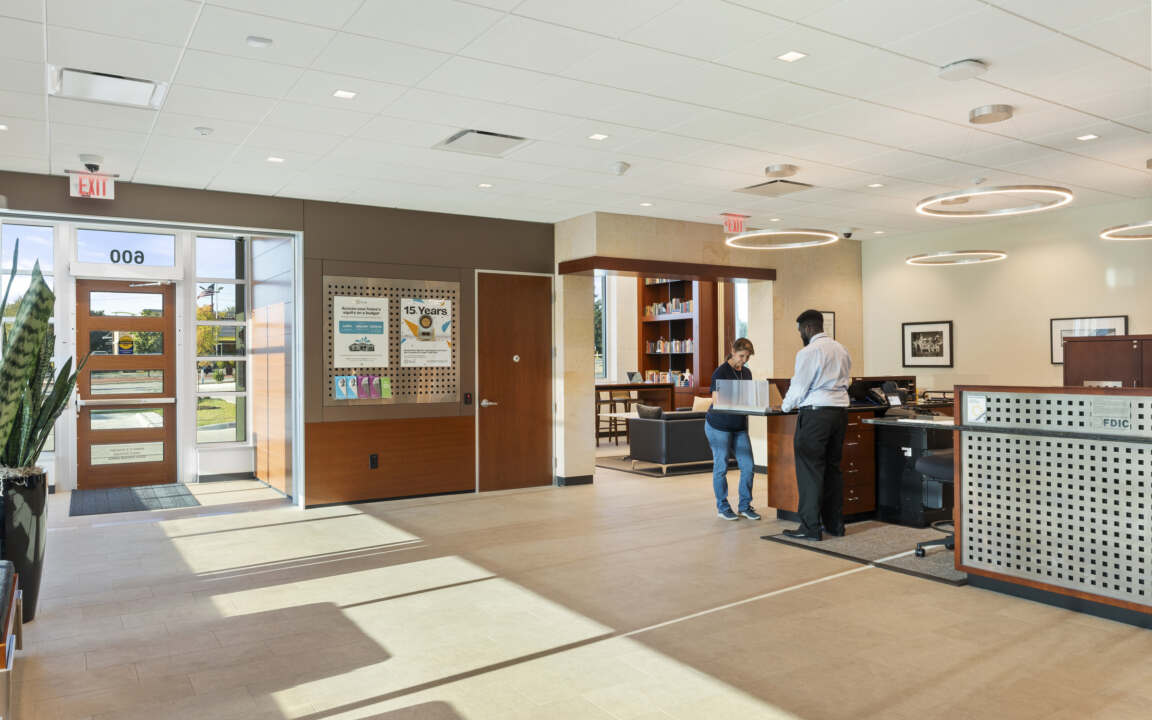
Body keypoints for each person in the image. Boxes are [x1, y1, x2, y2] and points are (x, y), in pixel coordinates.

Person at [780, 310, 852, 541]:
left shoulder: (809, 352)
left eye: (800, 330)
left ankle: (810, 528)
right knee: (832, 469)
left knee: (810, 471)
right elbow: (848, 380)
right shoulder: (841, 349)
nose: (800, 335)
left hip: (816, 416)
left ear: (808, 328)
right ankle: (835, 526)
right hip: (839, 413)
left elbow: (799, 386)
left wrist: (784, 407)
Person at [705, 338, 759, 521]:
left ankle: (745, 506)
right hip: (718, 426)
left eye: (748, 357)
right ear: (733, 351)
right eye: (742, 356)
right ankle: (723, 507)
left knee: (748, 466)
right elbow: (716, 401)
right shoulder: (720, 372)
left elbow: (748, 398)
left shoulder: (747, 373)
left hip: (738, 426)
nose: (744, 360)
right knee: (721, 467)